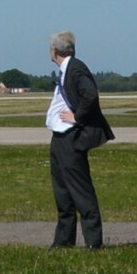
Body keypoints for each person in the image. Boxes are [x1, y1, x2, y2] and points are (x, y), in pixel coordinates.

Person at [46, 30, 115, 249]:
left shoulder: (76, 68)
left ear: (54, 50)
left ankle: (94, 243)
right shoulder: (66, 70)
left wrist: (77, 117)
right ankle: (63, 241)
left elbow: (90, 94)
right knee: (63, 194)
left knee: (81, 192)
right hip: (59, 138)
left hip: (71, 138)